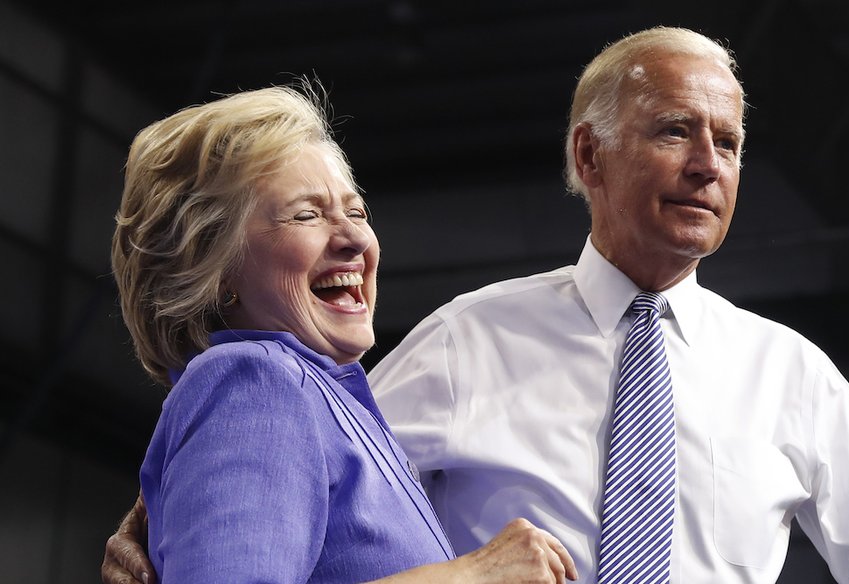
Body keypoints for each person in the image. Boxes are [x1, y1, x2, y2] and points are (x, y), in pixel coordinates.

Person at [103, 27, 849, 584]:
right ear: (590, 153)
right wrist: (166, 516)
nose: (709, 165)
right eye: (677, 131)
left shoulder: (789, 373)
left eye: (732, 144)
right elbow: (299, 468)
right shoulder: (467, 341)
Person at [103, 81, 576, 584]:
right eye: (306, 214)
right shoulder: (253, 381)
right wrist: (472, 576)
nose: (354, 239)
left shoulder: (323, 404)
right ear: (214, 268)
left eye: (356, 212)